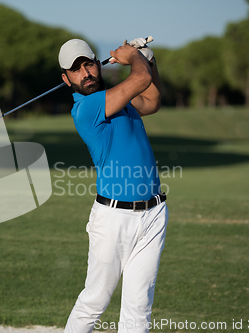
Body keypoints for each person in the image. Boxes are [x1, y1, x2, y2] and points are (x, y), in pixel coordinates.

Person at [58, 38, 168, 333]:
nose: (86, 73)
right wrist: (134, 57)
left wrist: (150, 59)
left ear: (98, 64)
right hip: (114, 219)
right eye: (76, 70)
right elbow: (140, 77)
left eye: (89, 64)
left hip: (153, 214)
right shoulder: (87, 108)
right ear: (66, 80)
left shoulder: (119, 99)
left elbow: (152, 100)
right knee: (95, 300)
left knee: (139, 307)